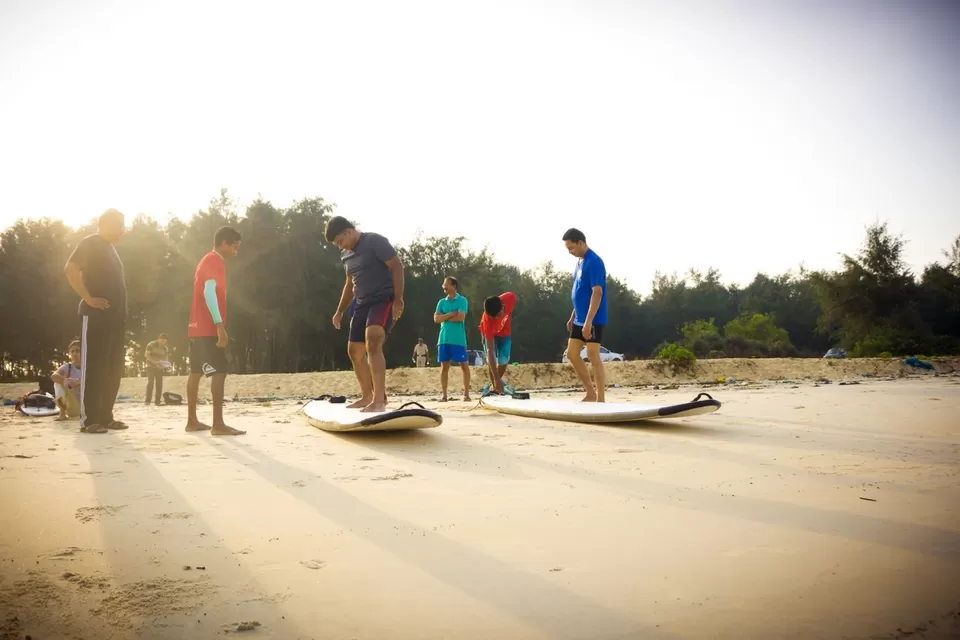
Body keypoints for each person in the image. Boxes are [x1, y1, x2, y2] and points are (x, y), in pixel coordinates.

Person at [326, 216, 404, 413]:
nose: (340, 246)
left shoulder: (374, 241)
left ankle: (379, 401)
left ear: (348, 231)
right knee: (354, 351)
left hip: (382, 299)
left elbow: (397, 266)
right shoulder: (346, 255)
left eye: (340, 241)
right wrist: (339, 311)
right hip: (361, 303)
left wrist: (398, 299)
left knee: (373, 340)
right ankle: (367, 396)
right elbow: (349, 284)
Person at [64, 209, 129, 434]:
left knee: (112, 368)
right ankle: (89, 419)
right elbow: (70, 268)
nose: (123, 230)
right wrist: (88, 298)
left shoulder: (111, 249)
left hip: (116, 319)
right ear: (105, 223)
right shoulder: (91, 242)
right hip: (96, 317)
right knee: (95, 366)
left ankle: (105, 417)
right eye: (120, 224)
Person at [186, 226, 245, 435]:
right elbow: (209, 292)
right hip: (208, 328)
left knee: (195, 372)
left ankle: (192, 421)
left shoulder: (204, 260)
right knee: (219, 372)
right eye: (235, 247)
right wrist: (220, 326)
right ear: (223, 243)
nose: (236, 251)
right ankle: (218, 424)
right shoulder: (214, 260)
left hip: (195, 328)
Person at [562, 228, 608, 402]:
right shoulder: (579, 262)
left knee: (593, 355)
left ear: (580, 243)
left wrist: (589, 322)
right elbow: (580, 292)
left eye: (571, 248)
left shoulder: (594, 261)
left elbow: (597, 293)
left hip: (594, 318)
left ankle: (601, 399)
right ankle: (590, 392)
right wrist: (573, 315)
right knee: (572, 354)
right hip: (579, 318)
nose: (569, 252)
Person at [434, 276, 470, 402]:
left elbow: (460, 317)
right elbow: (436, 319)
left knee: (464, 365)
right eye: (443, 284)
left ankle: (466, 394)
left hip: (458, 339)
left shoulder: (462, 300)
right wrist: (450, 314)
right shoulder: (441, 302)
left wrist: (444, 317)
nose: (444, 286)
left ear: (454, 286)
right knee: (444, 367)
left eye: (446, 284)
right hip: (443, 339)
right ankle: (444, 395)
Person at [478, 292, 517, 395]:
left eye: (497, 316)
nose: (495, 319)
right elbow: (490, 351)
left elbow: (510, 310)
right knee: (492, 360)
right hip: (490, 333)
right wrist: (496, 379)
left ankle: (496, 384)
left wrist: (508, 319)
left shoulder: (510, 298)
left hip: (505, 331)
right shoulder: (488, 321)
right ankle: (495, 387)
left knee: (504, 359)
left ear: (502, 307)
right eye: (492, 317)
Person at [51, 340, 82, 420]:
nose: (74, 353)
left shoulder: (89, 367)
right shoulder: (67, 367)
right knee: (57, 383)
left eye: (77, 351)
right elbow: (54, 376)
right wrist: (67, 381)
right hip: (73, 406)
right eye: (72, 351)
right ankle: (62, 413)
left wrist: (78, 383)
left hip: (87, 406)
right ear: (69, 354)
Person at [144, 332, 170, 406]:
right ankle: (147, 401)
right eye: (162, 340)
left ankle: (157, 401)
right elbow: (147, 356)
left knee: (159, 384)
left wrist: (165, 365)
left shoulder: (165, 348)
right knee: (150, 382)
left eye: (164, 341)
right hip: (150, 366)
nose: (163, 342)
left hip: (159, 367)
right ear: (159, 339)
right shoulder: (151, 345)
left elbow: (166, 358)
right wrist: (155, 363)